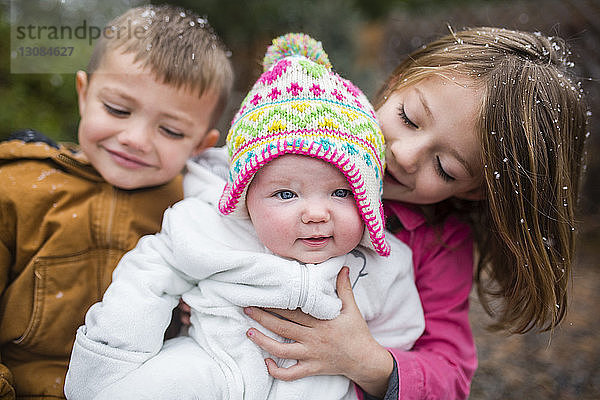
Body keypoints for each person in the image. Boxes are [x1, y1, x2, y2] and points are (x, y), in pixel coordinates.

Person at [63, 33, 425, 400]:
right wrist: (111, 363)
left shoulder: (384, 266)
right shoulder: (207, 229)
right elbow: (145, 281)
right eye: (285, 194)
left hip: (317, 386)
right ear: (245, 196)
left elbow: (398, 336)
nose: (317, 214)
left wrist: (360, 364)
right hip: (212, 364)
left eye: (342, 193)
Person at [241, 27, 589, 399]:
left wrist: (363, 360)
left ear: (473, 190)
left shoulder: (441, 242)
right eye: (408, 117)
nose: (405, 156)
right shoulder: (292, 137)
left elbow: (450, 375)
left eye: (445, 168)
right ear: (394, 84)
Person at [0, 5, 233, 399]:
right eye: (117, 110)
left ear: (201, 145)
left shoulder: (202, 214)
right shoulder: (16, 188)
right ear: (84, 94)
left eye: (171, 130)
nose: (136, 139)